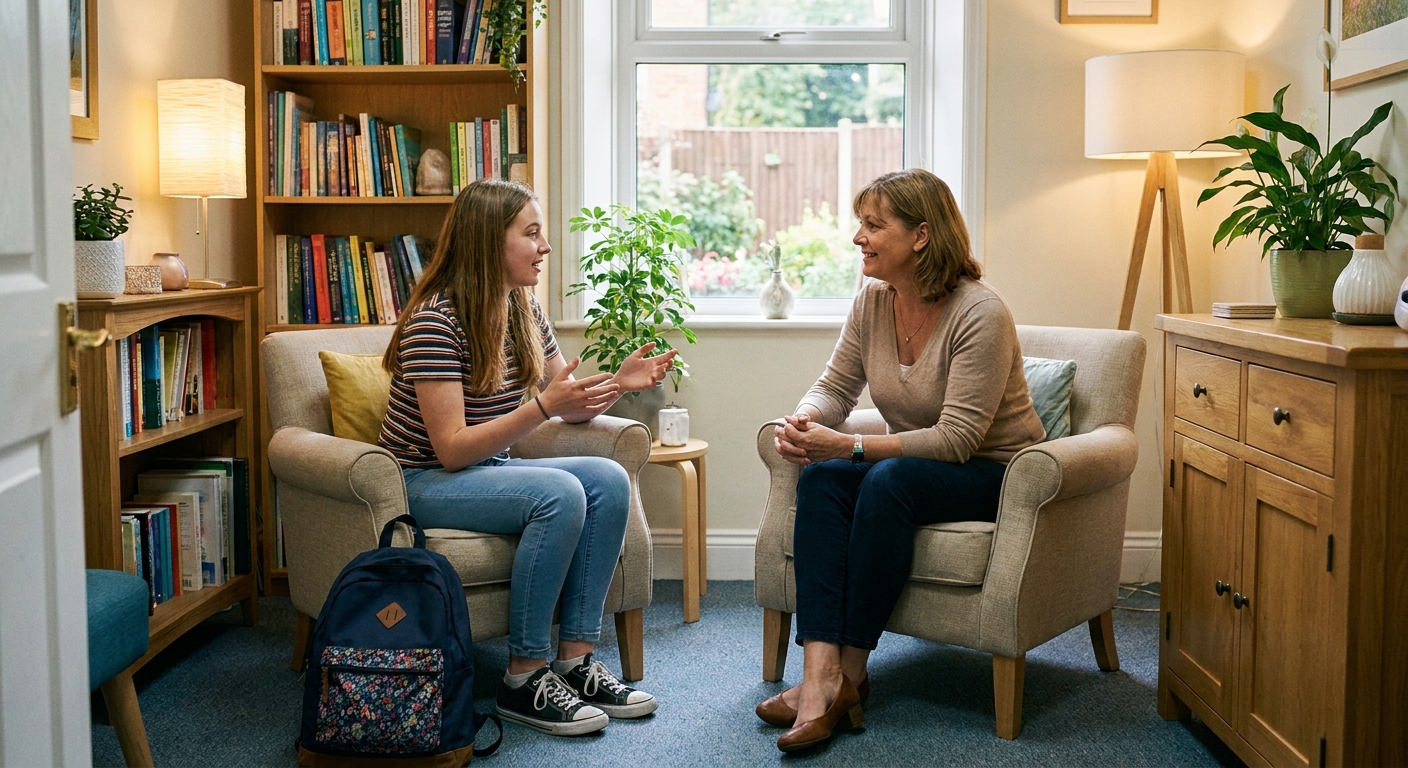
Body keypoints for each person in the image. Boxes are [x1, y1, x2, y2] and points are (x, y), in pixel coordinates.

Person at [758, 169, 1046, 752]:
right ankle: (818, 677)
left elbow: (959, 439)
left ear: (920, 236)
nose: (859, 238)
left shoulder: (981, 313)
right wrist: (806, 420)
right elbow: (836, 386)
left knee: (885, 480)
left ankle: (852, 675)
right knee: (825, 480)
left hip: (997, 472)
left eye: (873, 225)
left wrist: (852, 445)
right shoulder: (873, 300)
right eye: (860, 224)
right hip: (915, 466)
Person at [379, 178, 675, 736]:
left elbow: (570, 405)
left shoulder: (523, 308)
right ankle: (523, 676)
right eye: (532, 233)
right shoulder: (435, 321)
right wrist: (542, 407)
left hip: (484, 471)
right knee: (560, 492)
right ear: (489, 241)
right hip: (422, 479)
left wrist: (618, 383)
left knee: (608, 479)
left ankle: (575, 663)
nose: (545, 247)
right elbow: (452, 448)